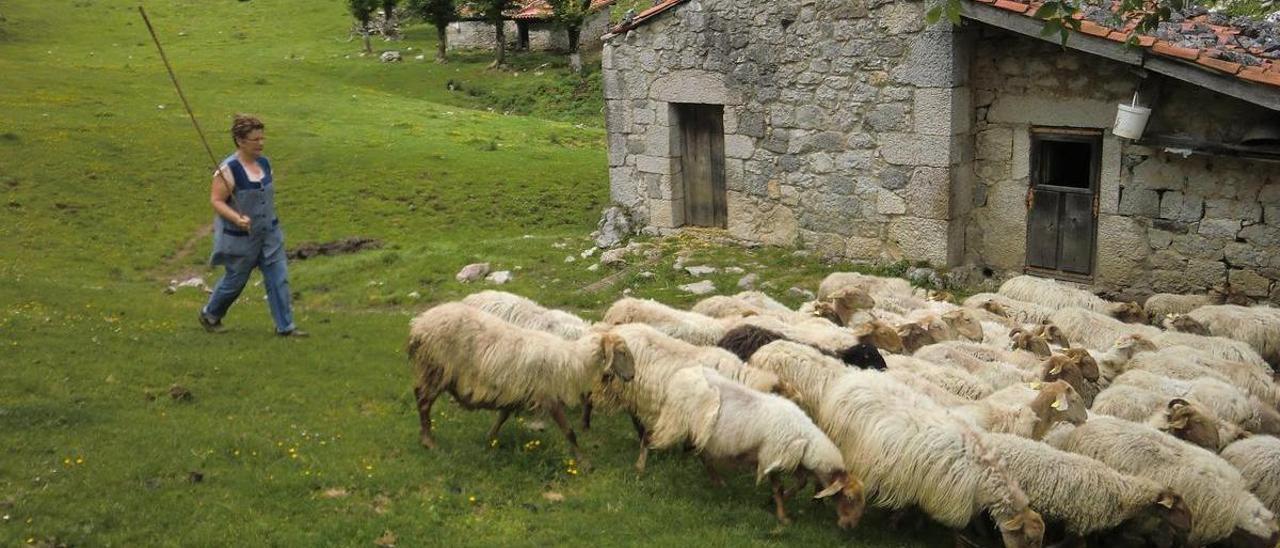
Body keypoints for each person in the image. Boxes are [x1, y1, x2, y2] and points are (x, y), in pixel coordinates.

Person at [198, 114, 307, 337]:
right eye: (255, 139)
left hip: (269, 233)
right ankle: (210, 314)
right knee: (235, 281)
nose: (261, 143)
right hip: (240, 237)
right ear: (240, 141)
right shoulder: (228, 170)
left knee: (279, 277)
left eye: (262, 138)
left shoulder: (265, 164)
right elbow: (216, 200)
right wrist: (237, 218)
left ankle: (285, 327)